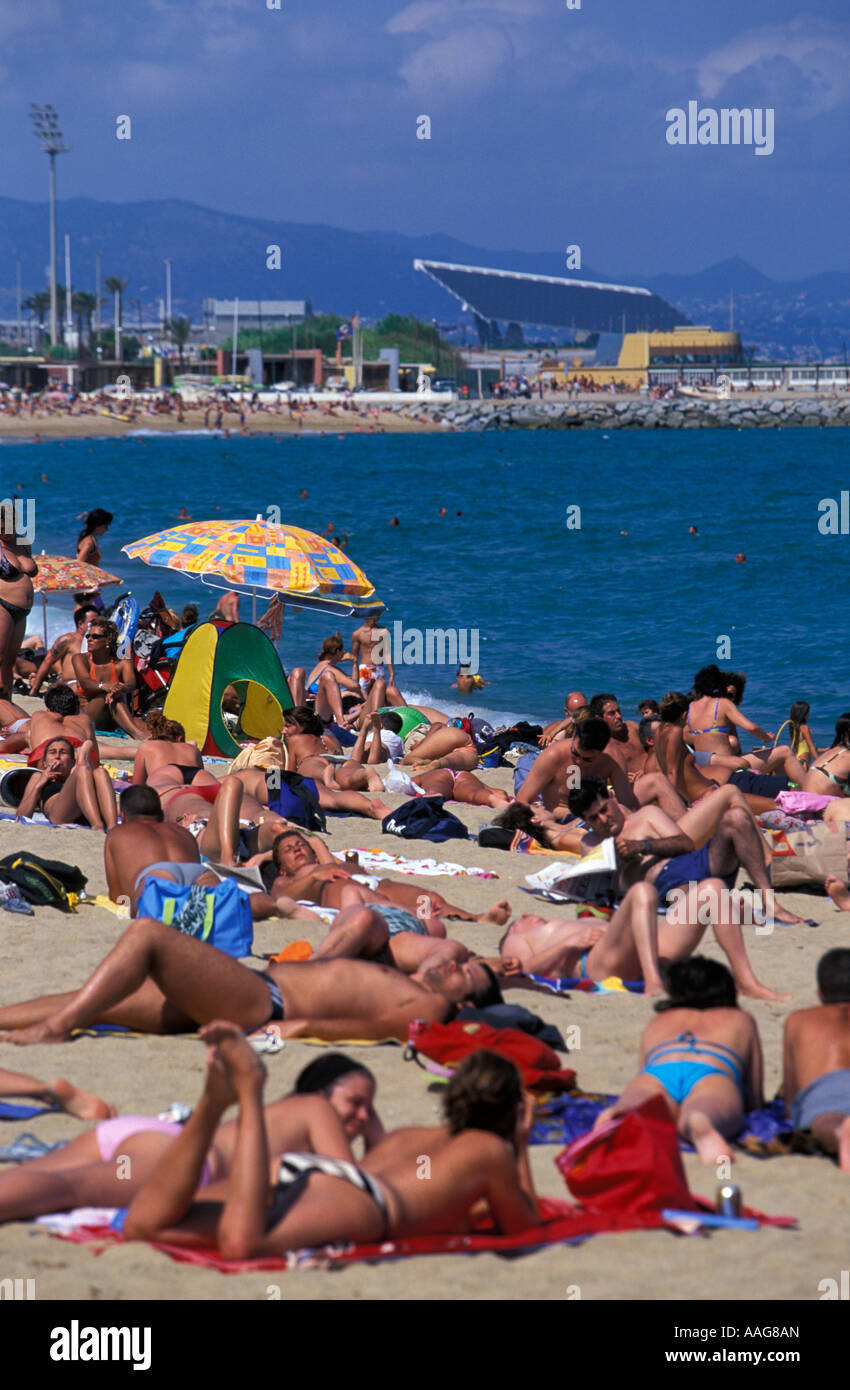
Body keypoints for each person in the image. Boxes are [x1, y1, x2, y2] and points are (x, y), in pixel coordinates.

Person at [122, 1031, 539, 1257]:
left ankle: (212, 1106)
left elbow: (435, 1194)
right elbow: (524, 1227)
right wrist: (519, 1145)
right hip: (362, 1201)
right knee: (243, 1244)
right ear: (509, 1112)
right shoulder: (489, 1150)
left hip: (307, 1173)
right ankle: (249, 1091)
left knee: (146, 1227)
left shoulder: (407, 1137)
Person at [0, 917, 504, 1045]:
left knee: (148, 935)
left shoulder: (432, 1007)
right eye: (463, 962)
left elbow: (381, 1028)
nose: (454, 965)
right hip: (251, 988)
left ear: (466, 1003)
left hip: (265, 1001)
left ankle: (55, 1029)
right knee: (99, 1001)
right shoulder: (411, 979)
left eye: (465, 974)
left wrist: (302, 1027)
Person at [591, 958, 763, 1163]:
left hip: (658, 1072)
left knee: (640, 1100)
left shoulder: (658, 1021)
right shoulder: (740, 1019)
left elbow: (643, 1068)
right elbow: (754, 1094)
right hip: (711, 1072)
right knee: (707, 1107)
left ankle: (621, 1112)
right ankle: (699, 1121)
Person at [783, 948, 850, 1169]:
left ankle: (839, 1132)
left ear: (819, 993)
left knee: (824, 1121)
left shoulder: (798, 1020)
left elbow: (792, 1095)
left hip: (824, 1092)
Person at [17, 736, 117, 831]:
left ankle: (112, 826)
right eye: (52, 752)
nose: (57, 757)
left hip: (83, 814)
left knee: (100, 772)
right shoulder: (38, 776)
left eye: (63, 752)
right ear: (44, 762)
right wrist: (38, 786)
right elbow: (22, 815)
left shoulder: (76, 775)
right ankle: (97, 825)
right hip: (58, 815)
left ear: (72, 762)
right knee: (82, 770)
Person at [71, 618, 148, 739]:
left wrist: (120, 688)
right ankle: (137, 735)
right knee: (107, 696)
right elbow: (85, 682)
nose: (89, 639)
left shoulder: (122, 661)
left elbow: (131, 684)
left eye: (95, 636)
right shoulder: (80, 658)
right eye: (88, 636)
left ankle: (152, 737)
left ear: (108, 640)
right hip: (88, 716)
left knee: (141, 723)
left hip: (113, 714)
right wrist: (105, 686)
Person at [294, 1054, 384, 1151]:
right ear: (319, 1098)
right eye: (355, 1102)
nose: (365, 1116)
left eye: (369, 1110)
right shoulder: (289, 1154)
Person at [0, 513, 37, 699]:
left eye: (7, 527)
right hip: (2, 605)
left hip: (22, 611)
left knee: (9, 661)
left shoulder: (23, 543)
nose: (3, 532)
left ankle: (6, 703)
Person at [28, 604, 98, 696]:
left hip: (89, 684)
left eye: (97, 622)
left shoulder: (98, 642)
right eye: (92, 622)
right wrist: (35, 689)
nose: (95, 625)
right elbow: (48, 661)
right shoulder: (68, 640)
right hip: (72, 685)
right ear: (81, 624)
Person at [131, 711, 204, 785]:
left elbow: (137, 785)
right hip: (199, 782)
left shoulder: (146, 746)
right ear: (180, 739)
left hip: (166, 784)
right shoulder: (193, 749)